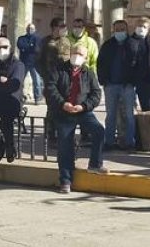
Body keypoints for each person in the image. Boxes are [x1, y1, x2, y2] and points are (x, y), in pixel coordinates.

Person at [46, 43, 107, 194]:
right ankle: (66, 180)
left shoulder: (89, 73)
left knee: (98, 131)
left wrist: (85, 106)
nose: (76, 56)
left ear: (86, 58)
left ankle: (95, 164)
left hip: (82, 111)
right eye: (74, 53)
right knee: (65, 145)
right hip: (63, 112)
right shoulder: (59, 69)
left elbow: (96, 94)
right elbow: (50, 89)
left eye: (80, 54)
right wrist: (63, 104)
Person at [96, 20, 141, 150]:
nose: (119, 31)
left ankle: (129, 142)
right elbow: (100, 63)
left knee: (129, 115)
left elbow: (138, 65)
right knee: (110, 115)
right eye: (117, 29)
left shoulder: (133, 44)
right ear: (113, 30)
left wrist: (132, 82)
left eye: (122, 29)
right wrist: (103, 81)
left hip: (127, 86)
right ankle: (109, 142)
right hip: (111, 86)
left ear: (126, 30)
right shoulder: (107, 45)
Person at [131, 18, 150, 111]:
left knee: (148, 109)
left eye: (144, 26)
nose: (141, 28)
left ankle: (147, 125)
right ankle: (134, 126)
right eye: (139, 26)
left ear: (148, 28)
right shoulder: (129, 41)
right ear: (135, 27)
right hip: (131, 81)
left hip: (148, 81)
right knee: (131, 109)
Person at [17, 23, 42, 104]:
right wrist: (30, 46)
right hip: (23, 63)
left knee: (37, 81)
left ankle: (37, 98)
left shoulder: (37, 38)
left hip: (35, 63)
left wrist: (26, 48)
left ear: (35, 29)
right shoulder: (21, 38)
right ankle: (19, 96)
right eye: (28, 28)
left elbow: (36, 49)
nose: (30, 30)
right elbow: (20, 45)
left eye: (31, 28)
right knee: (20, 81)